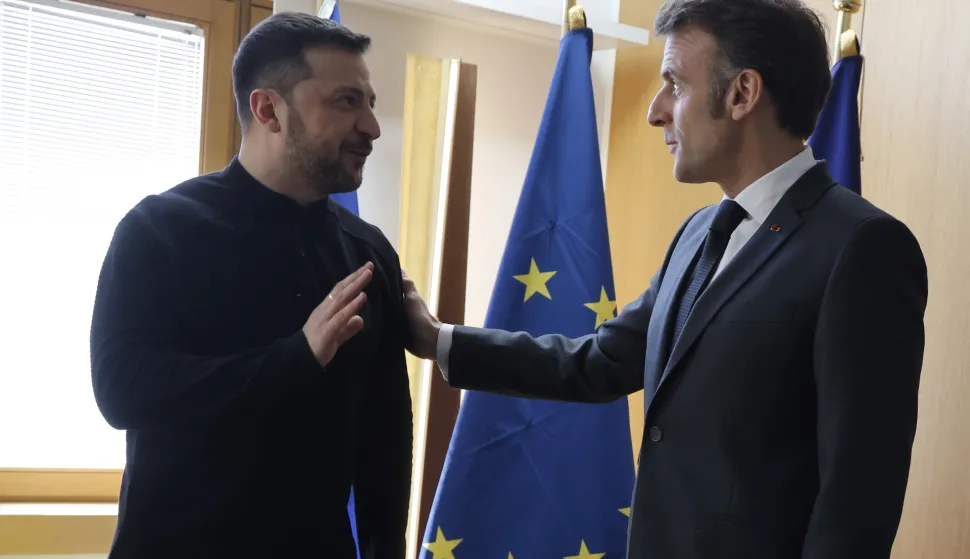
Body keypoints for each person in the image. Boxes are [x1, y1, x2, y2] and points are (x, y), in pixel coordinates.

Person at [401, 0, 928, 557]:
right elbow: (599, 361)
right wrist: (438, 340)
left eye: (674, 84)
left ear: (742, 93)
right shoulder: (699, 233)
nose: (656, 111)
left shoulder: (862, 246)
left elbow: (857, 494)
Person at [90, 13, 411, 559]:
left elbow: (384, 432)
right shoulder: (159, 231)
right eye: (346, 102)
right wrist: (296, 358)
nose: (372, 128)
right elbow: (123, 391)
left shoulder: (367, 251)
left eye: (370, 103)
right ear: (269, 110)